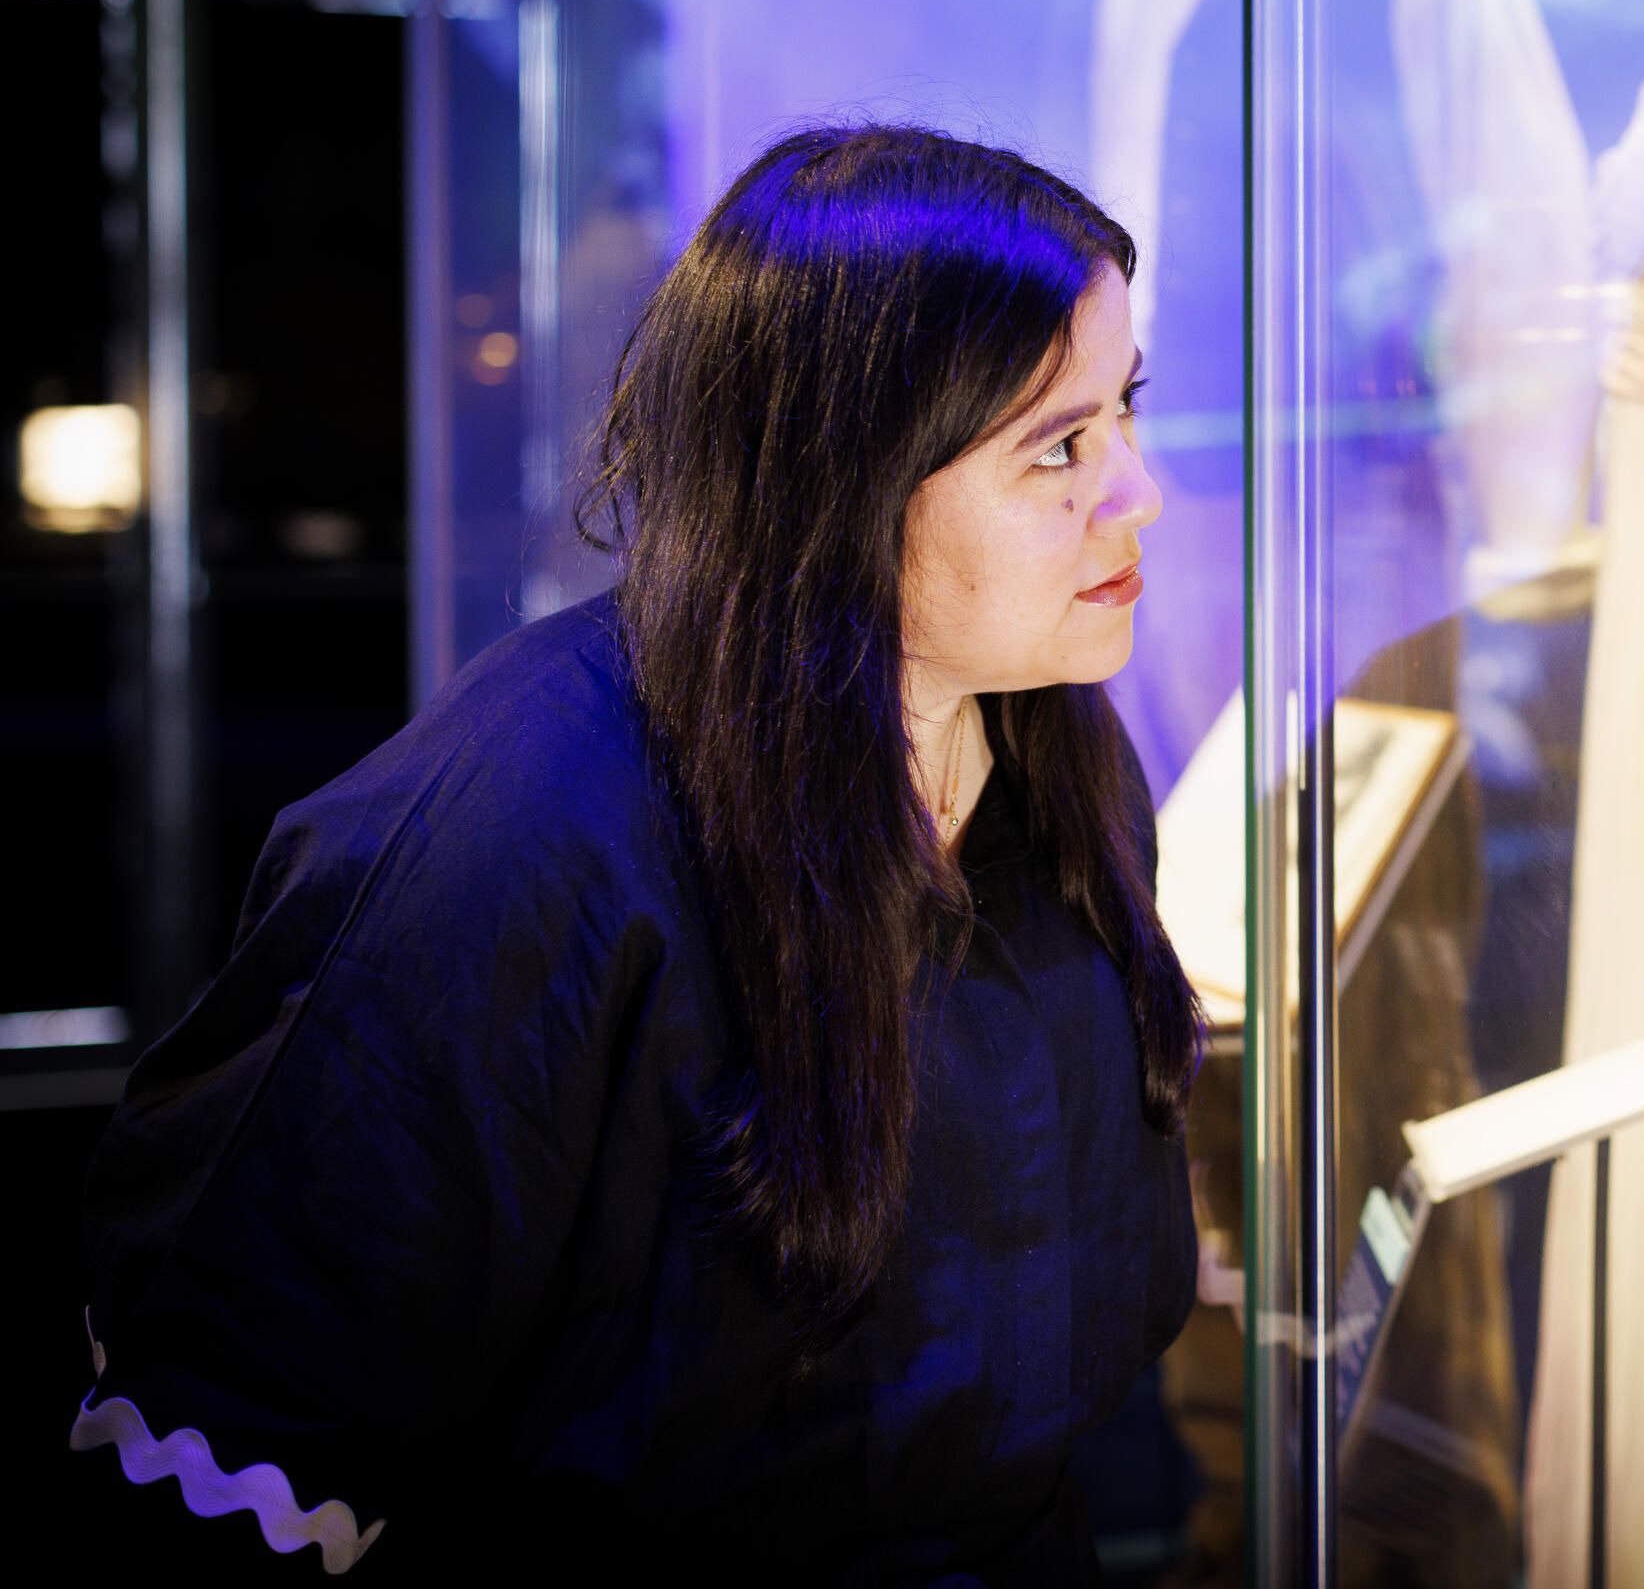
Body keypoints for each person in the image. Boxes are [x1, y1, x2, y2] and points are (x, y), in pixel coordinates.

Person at [65, 125, 1204, 1581]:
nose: (1138, 492)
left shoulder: (1064, 765)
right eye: (1060, 445)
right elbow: (255, 1396)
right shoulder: (528, 819)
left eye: (1126, 414)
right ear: (840, 472)